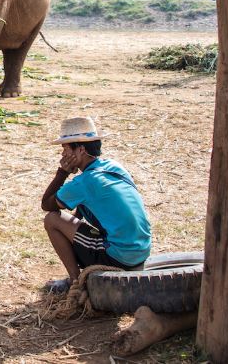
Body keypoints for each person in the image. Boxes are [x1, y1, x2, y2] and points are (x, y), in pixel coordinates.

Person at [40, 117, 151, 294]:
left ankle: (76, 283)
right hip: (140, 252)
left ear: (81, 149)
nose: (62, 155)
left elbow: (47, 205)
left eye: (66, 149)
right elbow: (85, 209)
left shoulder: (85, 182)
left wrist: (61, 173)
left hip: (119, 257)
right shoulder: (113, 166)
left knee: (52, 220)